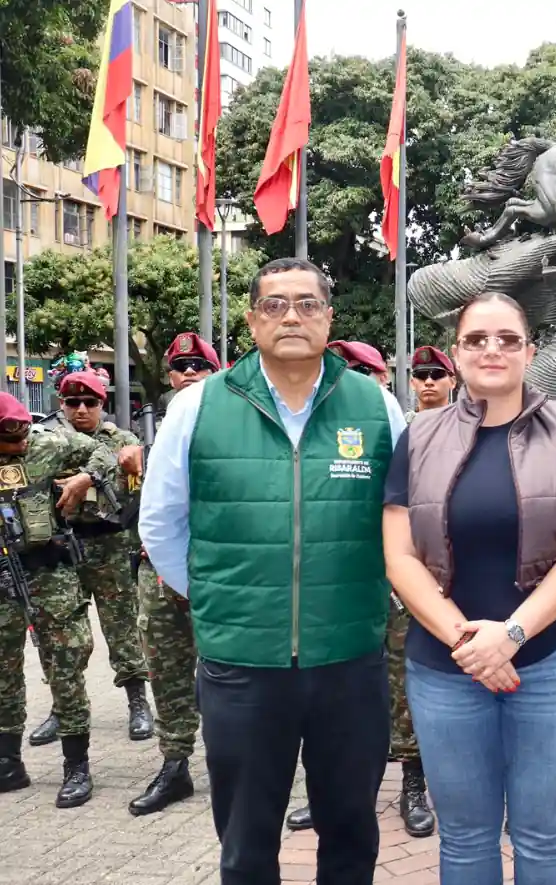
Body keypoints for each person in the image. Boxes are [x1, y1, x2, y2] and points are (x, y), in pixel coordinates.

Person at [139, 257, 407, 885]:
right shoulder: (198, 405)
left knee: (350, 833)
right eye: (274, 304)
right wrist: (217, 598)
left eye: (307, 304)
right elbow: (161, 523)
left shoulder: (375, 406)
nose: (292, 315)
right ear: (251, 320)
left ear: (329, 318)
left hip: (349, 659)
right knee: (245, 839)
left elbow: (402, 520)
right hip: (241, 665)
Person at [384, 291, 556, 885]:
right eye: (477, 339)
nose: (492, 350)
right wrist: (469, 643)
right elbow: (400, 556)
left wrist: (510, 634)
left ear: (530, 352)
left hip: (552, 664)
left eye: (508, 339)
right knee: (464, 839)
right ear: (456, 352)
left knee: (543, 835)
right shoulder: (418, 436)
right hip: (445, 668)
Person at [285, 337, 435, 838]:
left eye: (357, 372)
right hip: (332, 590)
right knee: (322, 698)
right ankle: (330, 795)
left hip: (391, 582)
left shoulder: (390, 424)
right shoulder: (303, 430)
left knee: (400, 686)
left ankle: (413, 786)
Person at [0, 393, 124, 807]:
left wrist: (84, 478)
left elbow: (108, 450)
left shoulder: (49, 442)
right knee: (3, 671)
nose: (21, 446)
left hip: (50, 572)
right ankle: (9, 765)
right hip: (3, 574)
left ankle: (77, 767)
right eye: (9, 442)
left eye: (22, 438)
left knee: (65, 663)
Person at [26, 371, 153, 748]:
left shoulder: (120, 438)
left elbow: (125, 460)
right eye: (72, 402)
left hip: (111, 546)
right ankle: (63, 709)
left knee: (122, 628)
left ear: (102, 405)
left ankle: (137, 702)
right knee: (61, 635)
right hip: (63, 549)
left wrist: (85, 477)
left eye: (90, 402)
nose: (81, 409)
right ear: (61, 405)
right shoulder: (50, 441)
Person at [125, 332, 220, 815]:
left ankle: (239, 765)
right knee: (166, 670)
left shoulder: (227, 429)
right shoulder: (148, 431)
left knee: (229, 673)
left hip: (213, 573)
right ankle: (175, 763)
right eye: (180, 367)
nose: (188, 375)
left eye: (198, 367)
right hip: (156, 572)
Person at [407, 345, 456, 419]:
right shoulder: (400, 426)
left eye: (437, 374)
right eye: (421, 375)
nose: (428, 382)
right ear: (412, 383)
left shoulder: (466, 425)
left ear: (452, 382)